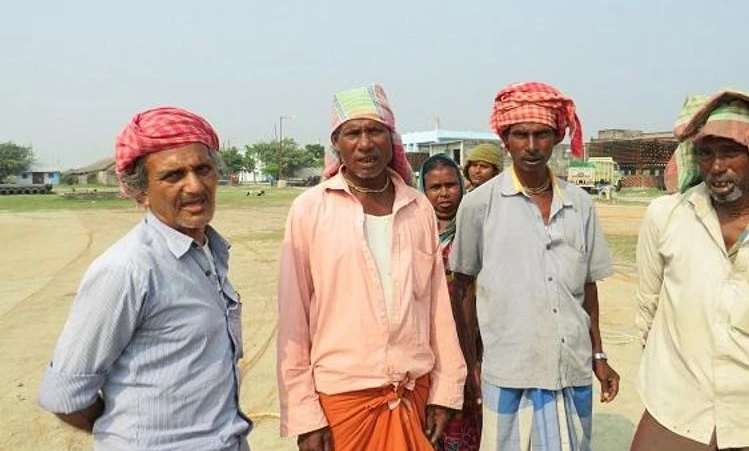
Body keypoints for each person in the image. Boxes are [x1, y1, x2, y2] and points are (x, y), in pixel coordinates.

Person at [38, 107, 252, 450]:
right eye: (172, 176)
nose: (195, 186)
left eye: (203, 169)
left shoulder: (210, 252)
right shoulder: (127, 270)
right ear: (141, 192)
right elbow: (64, 394)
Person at [631, 90, 749, 451]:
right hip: (675, 404)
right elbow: (648, 304)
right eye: (706, 153)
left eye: (730, 152)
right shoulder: (666, 216)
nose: (716, 166)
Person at [277, 83, 466, 451]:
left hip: (414, 395)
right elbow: (293, 318)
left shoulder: (418, 208)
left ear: (391, 138)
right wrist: (305, 416)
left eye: (375, 130)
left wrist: (445, 390)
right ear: (337, 142)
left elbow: (438, 310)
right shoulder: (310, 209)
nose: (365, 143)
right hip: (341, 404)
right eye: (353, 132)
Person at [449, 82, 619, 451]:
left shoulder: (580, 205)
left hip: (570, 367)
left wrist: (599, 355)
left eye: (541, 134)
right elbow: (462, 285)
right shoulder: (480, 204)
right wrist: (470, 365)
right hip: (509, 370)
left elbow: (587, 287)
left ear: (556, 138)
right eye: (520, 135)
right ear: (505, 141)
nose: (531, 146)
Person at [418, 154, 482, 451]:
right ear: (423, 189)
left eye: (450, 185)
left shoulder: (477, 229)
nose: (444, 194)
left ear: (462, 185)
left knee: (468, 411)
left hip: (471, 336)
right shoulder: (415, 231)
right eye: (435, 187)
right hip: (426, 341)